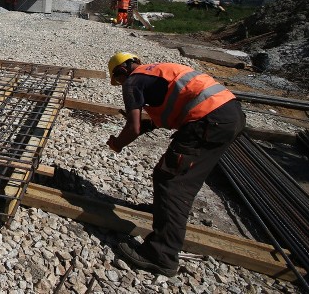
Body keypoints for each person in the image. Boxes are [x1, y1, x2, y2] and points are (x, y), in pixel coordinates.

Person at [105, 52, 246, 277]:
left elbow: (133, 128)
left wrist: (118, 144)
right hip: (230, 114)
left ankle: (161, 255)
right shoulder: (157, 71)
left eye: (119, 79)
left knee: (171, 180)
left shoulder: (132, 82)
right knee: (183, 178)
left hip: (208, 120)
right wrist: (147, 125)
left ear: (122, 70)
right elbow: (168, 109)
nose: (121, 84)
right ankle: (166, 214)